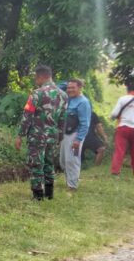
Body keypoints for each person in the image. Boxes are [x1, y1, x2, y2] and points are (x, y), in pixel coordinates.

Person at [15, 66, 68, 200]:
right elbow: (63, 118)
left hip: (37, 135)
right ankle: (49, 194)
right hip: (53, 136)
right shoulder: (63, 95)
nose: (35, 80)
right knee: (49, 163)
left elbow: (27, 115)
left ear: (41, 77)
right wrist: (60, 137)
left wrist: (20, 135)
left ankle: (38, 195)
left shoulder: (36, 94)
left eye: (36, 77)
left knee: (36, 164)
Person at [110, 83, 134, 175]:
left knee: (120, 150)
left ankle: (115, 170)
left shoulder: (122, 99)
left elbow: (114, 114)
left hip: (123, 127)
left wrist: (112, 117)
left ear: (127, 90)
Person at [59, 78, 91, 191]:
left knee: (72, 160)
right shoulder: (69, 98)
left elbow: (85, 124)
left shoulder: (83, 102)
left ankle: (72, 186)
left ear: (80, 88)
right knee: (63, 160)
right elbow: (58, 87)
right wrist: (67, 84)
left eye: (73, 88)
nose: (70, 90)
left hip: (75, 135)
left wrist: (78, 139)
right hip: (65, 133)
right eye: (68, 88)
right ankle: (69, 181)